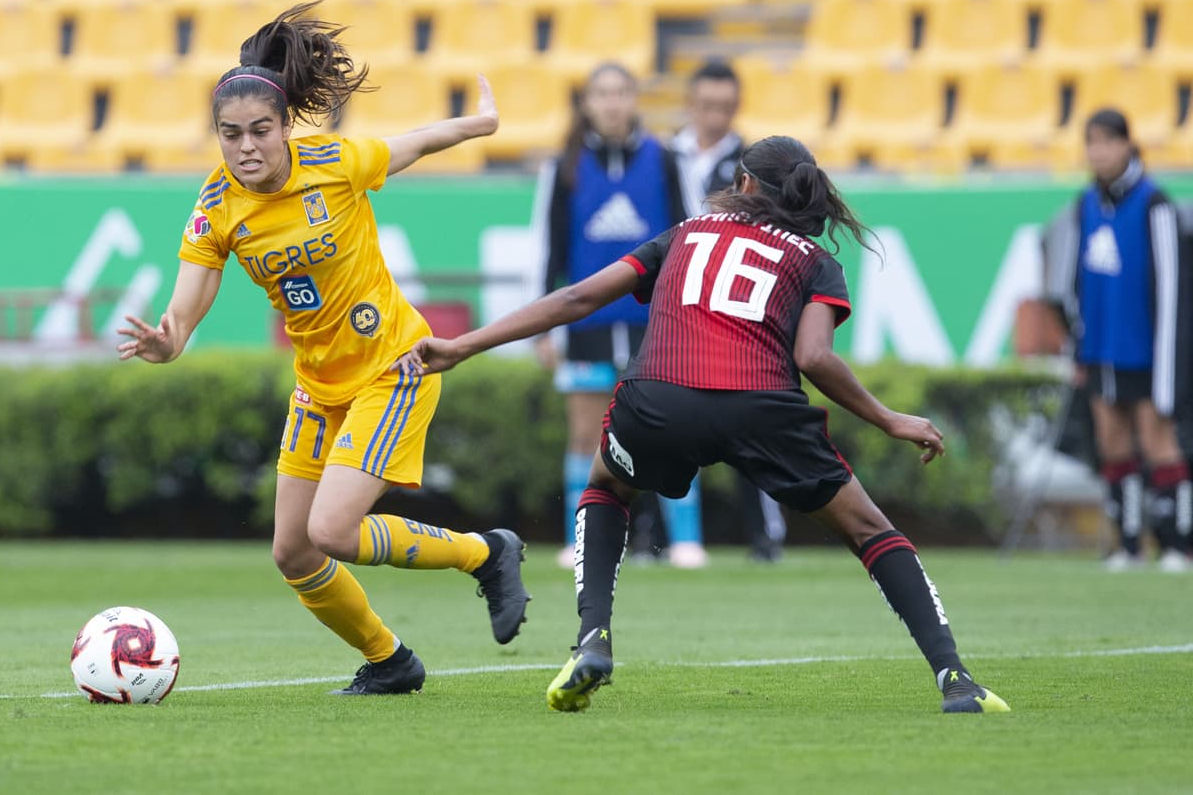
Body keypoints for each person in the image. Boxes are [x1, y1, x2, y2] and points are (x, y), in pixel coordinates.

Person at [398, 135, 1010, 715]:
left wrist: (465, 345)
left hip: (661, 398)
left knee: (605, 489)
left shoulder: (686, 234)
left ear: (743, 182)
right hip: (761, 406)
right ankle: (955, 678)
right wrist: (889, 420)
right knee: (868, 529)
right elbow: (815, 358)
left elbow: (575, 299)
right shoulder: (815, 260)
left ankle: (592, 640)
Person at [116, 2, 530, 695]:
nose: (246, 147)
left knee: (334, 531)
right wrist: (170, 338)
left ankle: (486, 552)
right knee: (293, 550)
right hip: (319, 383)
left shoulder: (335, 163)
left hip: (396, 366)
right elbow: (187, 301)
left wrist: (479, 124)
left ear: (284, 128)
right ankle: (389, 659)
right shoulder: (216, 204)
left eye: (259, 131)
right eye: (229, 135)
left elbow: (415, 143)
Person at [535, 60, 707, 569]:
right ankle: (581, 537)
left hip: (656, 322)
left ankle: (686, 540)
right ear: (587, 103)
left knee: (671, 427)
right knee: (586, 434)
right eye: (601, 93)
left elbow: (691, 238)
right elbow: (549, 250)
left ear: (635, 99)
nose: (611, 103)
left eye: (620, 93)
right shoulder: (562, 166)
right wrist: (545, 328)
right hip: (587, 324)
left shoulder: (669, 159)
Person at [1046, 108, 1191, 572]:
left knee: (1158, 441)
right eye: (1091, 143)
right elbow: (1071, 283)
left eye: (1107, 142)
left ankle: (1176, 543)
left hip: (1148, 352)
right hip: (1101, 350)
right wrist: (1077, 344)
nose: (1098, 152)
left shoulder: (1157, 207)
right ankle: (1129, 544)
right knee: (1113, 444)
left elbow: (1173, 291)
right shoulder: (1085, 205)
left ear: (1128, 145)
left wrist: (1171, 364)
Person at [672, 58, 787, 563]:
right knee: (663, 420)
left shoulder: (752, 163)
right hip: (677, 300)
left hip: (733, 304)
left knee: (748, 419)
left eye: (724, 106)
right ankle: (664, 539)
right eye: (706, 105)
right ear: (690, 103)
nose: (714, 115)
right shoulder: (662, 155)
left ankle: (764, 535)